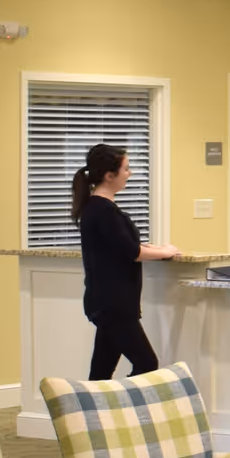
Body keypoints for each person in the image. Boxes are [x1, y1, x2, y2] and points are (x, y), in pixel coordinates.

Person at [71, 142, 179, 380]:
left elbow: (119, 245)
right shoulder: (102, 210)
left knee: (101, 372)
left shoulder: (99, 208)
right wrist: (165, 252)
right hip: (113, 304)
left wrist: (155, 248)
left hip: (109, 303)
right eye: (126, 169)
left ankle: (96, 404)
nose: (129, 174)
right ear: (109, 175)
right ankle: (124, 404)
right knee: (147, 363)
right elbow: (132, 252)